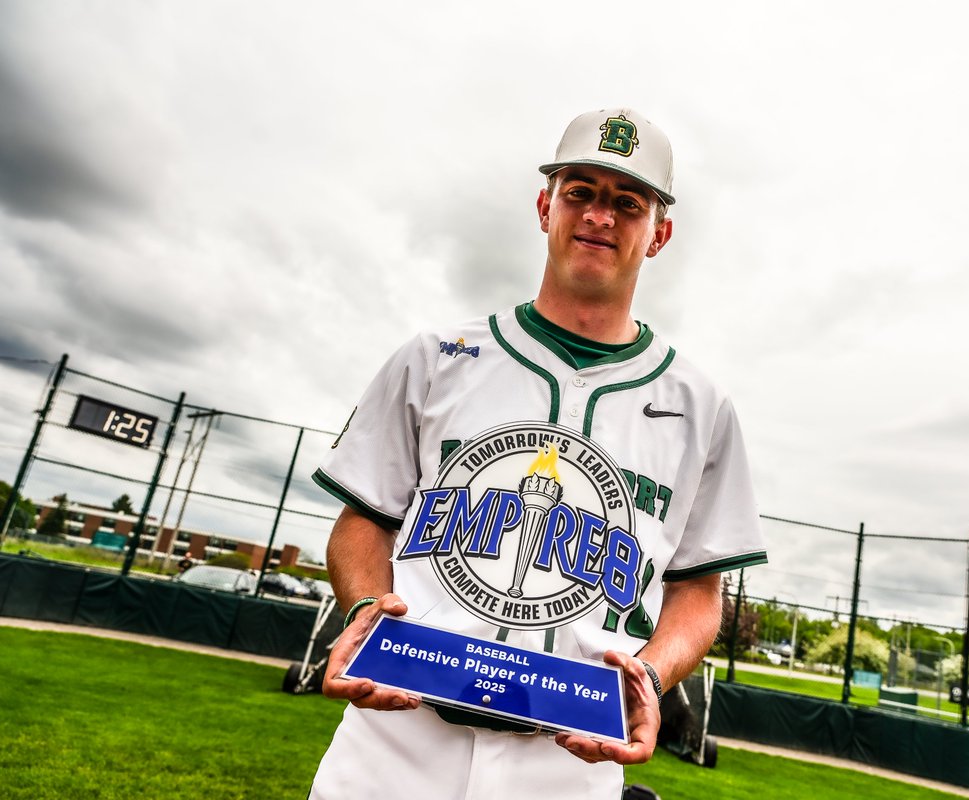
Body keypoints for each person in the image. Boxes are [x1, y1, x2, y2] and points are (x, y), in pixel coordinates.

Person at [308, 108, 767, 799]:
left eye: (627, 202)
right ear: (545, 205)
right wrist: (366, 607)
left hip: (568, 762)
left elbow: (699, 592)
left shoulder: (703, 406)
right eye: (580, 190)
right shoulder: (436, 358)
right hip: (396, 737)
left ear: (659, 233)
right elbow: (362, 523)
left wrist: (650, 673)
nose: (599, 216)